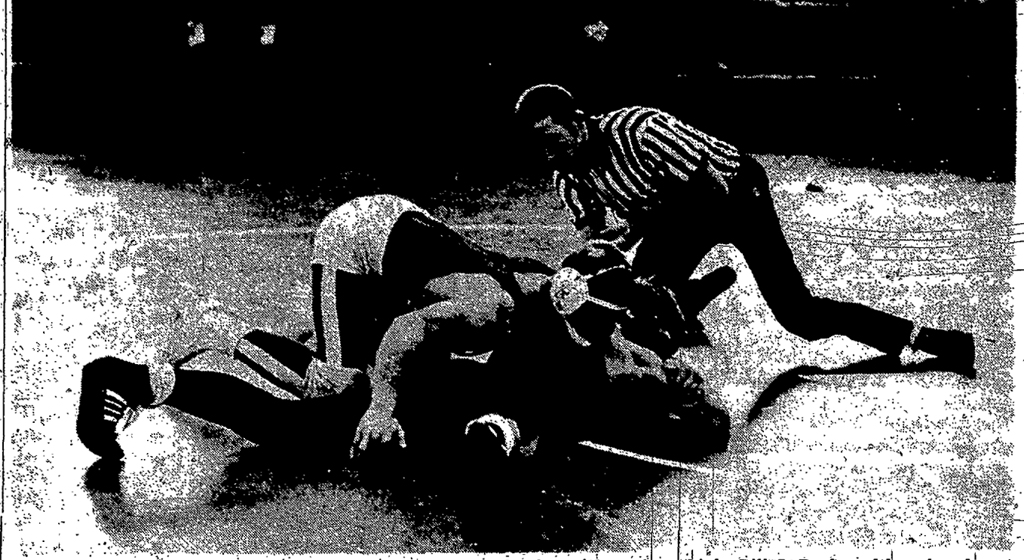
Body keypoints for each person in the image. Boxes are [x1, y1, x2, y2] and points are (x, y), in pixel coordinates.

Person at [76, 244, 727, 465]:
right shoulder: (498, 307)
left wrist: (685, 385)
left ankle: (234, 355)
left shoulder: (606, 344)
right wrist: (385, 405)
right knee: (320, 411)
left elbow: (643, 372)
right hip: (387, 310)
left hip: (434, 360)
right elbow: (409, 332)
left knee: (324, 411)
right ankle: (140, 378)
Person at [514, 84, 975, 377]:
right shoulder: (567, 176)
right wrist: (617, 275)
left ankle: (922, 338)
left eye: (552, 141)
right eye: (538, 149)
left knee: (801, 316)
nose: (549, 156)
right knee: (632, 297)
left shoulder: (642, 130)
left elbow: (710, 195)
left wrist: (658, 273)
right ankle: (676, 319)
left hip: (734, 194)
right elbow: (603, 247)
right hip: (675, 215)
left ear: (578, 121)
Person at [309, 194, 552, 372]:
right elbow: (407, 329)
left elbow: (503, 264)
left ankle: (320, 340)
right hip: (350, 235)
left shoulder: (495, 288)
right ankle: (290, 352)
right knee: (340, 377)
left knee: (376, 360)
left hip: (392, 225)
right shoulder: (486, 309)